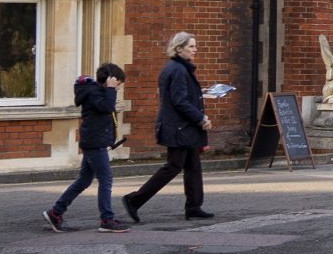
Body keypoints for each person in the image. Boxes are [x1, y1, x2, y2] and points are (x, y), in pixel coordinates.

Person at [121, 33, 216, 222]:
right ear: (179, 49)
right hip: (179, 128)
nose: (195, 49)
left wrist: (199, 91)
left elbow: (179, 94)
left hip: (182, 128)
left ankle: (194, 207)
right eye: (191, 46)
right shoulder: (178, 69)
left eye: (195, 46)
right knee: (173, 166)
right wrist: (201, 118)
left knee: (193, 166)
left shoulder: (177, 68)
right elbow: (179, 101)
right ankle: (134, 200)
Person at [44, 63, 128, 232]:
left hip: (94, 142)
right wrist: (111, 90)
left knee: (84, 180)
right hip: (95, 144)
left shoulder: (97, 92)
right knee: (106, 179)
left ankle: (55, 212)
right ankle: (107, 220)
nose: (117, 88)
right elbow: (107, 108)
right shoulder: (94, 93)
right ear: (110, 80)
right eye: (117, 84)